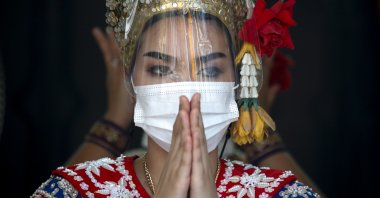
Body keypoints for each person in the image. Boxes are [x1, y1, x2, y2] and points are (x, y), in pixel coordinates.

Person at [32, 0, 320, 197]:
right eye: (160, 68)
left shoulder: (279, 193)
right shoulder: (76, 191)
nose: (186, 90)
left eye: (209, 69)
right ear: (131, 81)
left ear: (237, 82)